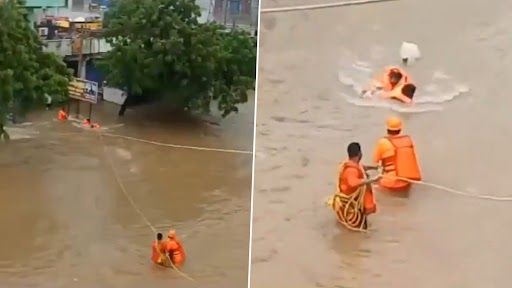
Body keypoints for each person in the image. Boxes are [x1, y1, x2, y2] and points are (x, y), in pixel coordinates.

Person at [337, 142, 380, 229]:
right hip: (352, 208)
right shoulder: (351, 170)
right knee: (360, 229)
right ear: (360, 154)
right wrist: (372, 180)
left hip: (352, 205)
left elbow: (362, 167)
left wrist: (375, 168)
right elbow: (352, 183)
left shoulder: (351, 164)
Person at [373, 116, 422, 192]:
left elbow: (375, 162)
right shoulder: (408, 141)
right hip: (406, 182)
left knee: (374, 187)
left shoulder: (383, 142)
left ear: (387, 129)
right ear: (400, 129)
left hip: (389, 182)